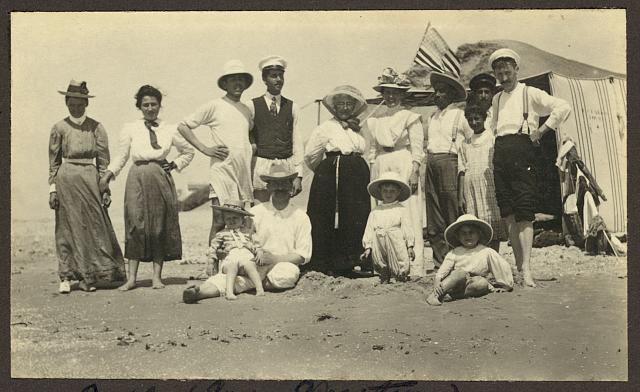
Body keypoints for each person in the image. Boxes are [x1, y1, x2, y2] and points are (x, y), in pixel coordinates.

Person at [489, 48, 571, 287]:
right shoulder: (496, 99)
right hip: (502, 153)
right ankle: (517, 266)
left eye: (507, 71)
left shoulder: (529, 92)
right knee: (509, 213)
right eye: (499, 73)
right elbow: (494, 128)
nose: (504, 77)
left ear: (516, 70)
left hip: (523, 150)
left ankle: (527, 269)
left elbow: (563, 107)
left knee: (525, 211)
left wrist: (543, 131)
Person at [101, 85, 195, 290]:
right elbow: (122, 156)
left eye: (154, 104)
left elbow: (188, 151)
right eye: (145, 105)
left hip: (160, 177)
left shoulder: (170, 129)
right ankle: (132, 278)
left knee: (159, 226)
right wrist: (108, 175)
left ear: (160, 105)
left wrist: (174, 164)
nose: (150, 108)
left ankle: (156, 277)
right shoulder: (130, 128)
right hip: (137, 177)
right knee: (135, 223)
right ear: (139, 106)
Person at [182, 164, 311, 303]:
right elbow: (236, 237)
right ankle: (198, 293)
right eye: (275, 183)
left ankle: (250, 284)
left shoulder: (301, 216)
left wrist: (273, 259)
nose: (280, 188)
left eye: (284, 183)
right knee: (232, 271)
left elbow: (302, 256)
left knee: (287, 275)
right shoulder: (255, 213)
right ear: (268, 187)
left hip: (280, 264)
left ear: (291, 187)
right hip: (251, 263)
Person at [49, 80, 126, 293]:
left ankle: (90, 276)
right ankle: (66, 276)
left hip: (91, 180)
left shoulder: (97, 128)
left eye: (80, 104)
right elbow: (53, 162)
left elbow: (104, 162)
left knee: (94, 226)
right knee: (66, 227)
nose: (76, 107)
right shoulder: (59, 128)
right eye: (71, 104)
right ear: (66, 103)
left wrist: (106, 189)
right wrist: (52, 189)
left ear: (86, 104)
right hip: (66, 180)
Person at [177, 59, 255, 248]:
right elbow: (183, 126)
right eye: (232, 79)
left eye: (240, 80)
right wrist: (205, 149)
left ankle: (235, 263)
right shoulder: (214, 105)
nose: (237, 83)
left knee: (241, 221)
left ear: (245, 84)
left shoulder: (247, 110)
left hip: (242, 173)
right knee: (220, 219)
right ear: (225, 84)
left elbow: (250, 140)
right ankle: (212, 265)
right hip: (222, 170)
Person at [304, 85, 370, 276]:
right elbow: (311, 155)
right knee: (329, 215)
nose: (345, 108)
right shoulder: (326, 127)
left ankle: (351, 260)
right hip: (334, 170)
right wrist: (326, 171)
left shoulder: (358, 127)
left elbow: (364, 148)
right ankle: (327, 261)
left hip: (356, 172)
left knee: (355, 214)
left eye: (349, 104)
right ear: (334, 106)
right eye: (340, 104)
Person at [365, 68, 426, 278]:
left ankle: (411, 263)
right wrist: (373, 169)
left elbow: (418, 147)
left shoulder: (410, 117)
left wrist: (415, 170)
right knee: (382, 211)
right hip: (382, 162)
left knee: (407, 210)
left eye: (395, 93)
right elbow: (372, 149)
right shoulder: (376, 120)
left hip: (403, 161)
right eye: (387, 92)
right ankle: (383, 263)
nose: (391, 97)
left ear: (402, 94)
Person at [424, 72, 468, 269]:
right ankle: (439, 259)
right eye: (436, 92)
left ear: (451, 95)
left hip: (450, 161)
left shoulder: (459, 115)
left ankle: (458, 256)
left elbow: (468, 141)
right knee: (433, 212)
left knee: (451, 208)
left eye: (442, 92)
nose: (438, 95)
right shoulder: (432, 117)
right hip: (431, 162)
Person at [425, 214, 514, 306]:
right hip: (456, 283)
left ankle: (453, 296)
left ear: (479, 234)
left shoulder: (486, 251)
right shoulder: (455, 252)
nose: (468, 236)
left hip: (473, 283)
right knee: (460, 273)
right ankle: (435, 295)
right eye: (463, 233)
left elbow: (500, 265)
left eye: (471, 232)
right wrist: (437, 280)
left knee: (482, 283)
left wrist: (505, 285)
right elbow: (443, 269)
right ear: (458, 237)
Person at [249, 55, 303, 202]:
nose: (278, 79)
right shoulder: (252, 106)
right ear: (264, 79)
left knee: (282, 213)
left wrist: (299, 175)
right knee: (260, 213)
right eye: (273, 76)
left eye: (281, 75)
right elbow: (244, 135)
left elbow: (297, 143)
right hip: (261, 166)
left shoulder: (293, 107)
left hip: (285, 168)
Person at [457, 100, 506, 253]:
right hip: (470, 188)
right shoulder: (465, 143)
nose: (474, 122)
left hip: (488, 185)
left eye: (477, 118)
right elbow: (462, 170)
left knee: (492, 219)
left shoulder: (491, 139)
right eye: (470, 119)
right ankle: (480, 258)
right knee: (477, 223)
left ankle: (493, 255)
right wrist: (460, 196)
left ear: (484, 118)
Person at [360, 171, 415, 283]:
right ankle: (384, 276)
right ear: (380, 191)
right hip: (379, 240)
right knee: (380, 259)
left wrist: (410, 246)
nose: (388, 194)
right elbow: (369, 229)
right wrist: (368, 247)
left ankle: (401, 276)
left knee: (400, 258)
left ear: (398, 192)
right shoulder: (375, 211)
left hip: (396, 239)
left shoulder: (401, 209)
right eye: (385, 191)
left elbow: (407, 228)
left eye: (392, 191)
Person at [208, 200, 264, 300]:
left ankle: (259, 289)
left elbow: (257, 245)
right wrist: (210, 262)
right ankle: (229, 292)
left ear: (243, 219)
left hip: (246, 257)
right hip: (230, 257)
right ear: (224, 220)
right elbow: (213, 248)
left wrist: (259, 252)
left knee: (249, 264)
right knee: (232, 265)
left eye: (235, 218)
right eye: (228, 218)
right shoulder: (222, 233)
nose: (231, 221)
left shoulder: (248, 232)